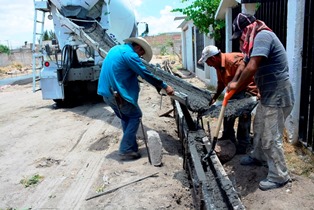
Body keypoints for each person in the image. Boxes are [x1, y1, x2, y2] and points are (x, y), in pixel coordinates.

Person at [228, 13, 294, 191]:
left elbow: (253, 66)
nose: (241, 39)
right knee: (258, 127)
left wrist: (236, 85)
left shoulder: (263, 36)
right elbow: (244, 63)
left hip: (278, 94)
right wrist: (234, 81)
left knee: (271, 137)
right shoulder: (253, 41)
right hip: (267, 94)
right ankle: (258, 156)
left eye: (241, 34)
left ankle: (279, 176)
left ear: (247, 28)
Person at [97, 37, 174, 161]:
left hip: (106, 92)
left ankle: (131, 146)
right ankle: (126, 149)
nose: (140, 56)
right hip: (116, 94)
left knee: (125, 116)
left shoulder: (116, 49)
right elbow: (145, 74)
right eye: (141, 53)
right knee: (135, 115)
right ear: (138, 47)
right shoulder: (130, 55)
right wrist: (164, 86)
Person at [198, 45, 258, 154]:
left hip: (246, 89)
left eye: (208, 62)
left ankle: (243, 145)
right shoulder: (218, 65)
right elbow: (221, 83)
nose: (208, 65)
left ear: (213, 58)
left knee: (243, 116)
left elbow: (248, 72)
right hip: (235, 91)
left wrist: (238, 86)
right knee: (227, 113)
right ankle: (228, 138)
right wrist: (215, 97)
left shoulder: (233, 62)